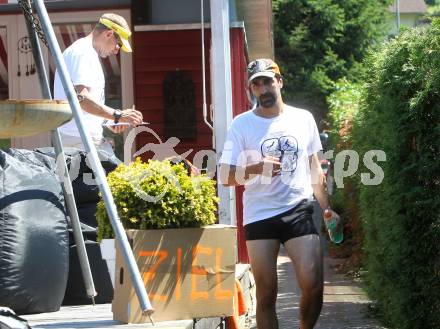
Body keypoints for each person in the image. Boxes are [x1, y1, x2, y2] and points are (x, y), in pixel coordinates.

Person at [219, 59, 338, 329]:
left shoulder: (302, 118)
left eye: (268, 81)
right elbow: (225, 175)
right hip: (259, 214)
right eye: (256, 84)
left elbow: (314, 168)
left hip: (298, 208)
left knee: (313, 283)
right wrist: (256, 167)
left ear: (280, 82)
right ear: (251, 89)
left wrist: (328, 209)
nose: (263, 89)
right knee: (266, 294)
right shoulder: (242, 125)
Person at [54, 13, 143, 159]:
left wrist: (110, 121)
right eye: (118, 44)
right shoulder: (82, 53)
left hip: (81, 138)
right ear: (109, 34)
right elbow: (82, 99)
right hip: (78, 140)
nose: (116, 50)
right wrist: (118, 115)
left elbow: (84, 105)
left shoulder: (87, 53)